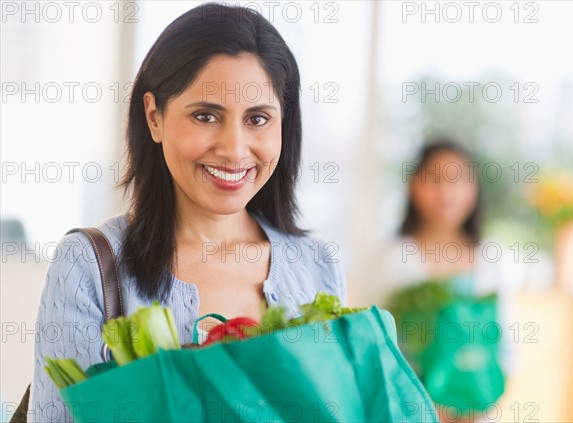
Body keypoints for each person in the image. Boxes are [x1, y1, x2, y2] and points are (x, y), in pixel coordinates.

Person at [29, 3, 346, 422]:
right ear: (154, 116)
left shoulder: (317, 267)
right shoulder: (88, 266)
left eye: (257, 118)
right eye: (206, 115)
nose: (234, 150)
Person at [384, 140, 520, 423]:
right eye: (434, 180)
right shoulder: (393, 260)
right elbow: (380, 347)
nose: (447, 193)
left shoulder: (492, 259)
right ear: (413, 185)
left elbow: (506, 345)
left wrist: (480, 403)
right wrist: (426, 406)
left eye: (458, 180)